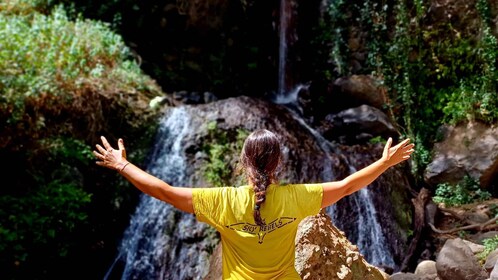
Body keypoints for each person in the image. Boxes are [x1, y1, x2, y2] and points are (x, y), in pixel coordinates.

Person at [93, 129, 414, 279]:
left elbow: (163, 191)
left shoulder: (222, 201)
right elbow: (347, 187)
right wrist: (384, 163)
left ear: (244, 162)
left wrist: (123, 166)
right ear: (277, 164)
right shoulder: (297, 197)